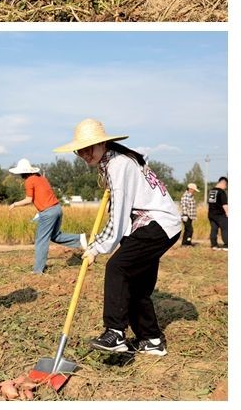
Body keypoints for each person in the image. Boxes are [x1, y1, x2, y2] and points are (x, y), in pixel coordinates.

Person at [54, 118, 181, 356]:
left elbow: (120, 215)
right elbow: (119, 212)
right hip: (157, 225)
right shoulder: (115, 162)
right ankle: (151, 340)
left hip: (156, 224)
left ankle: (115, 332)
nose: (84, 153)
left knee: (117, 268)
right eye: (79, 149)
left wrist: (97, 246)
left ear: (103, 143)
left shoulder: (118, 165)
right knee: (135, 285)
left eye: (88, 147)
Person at [8, 158, 86, 273]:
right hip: (57, 209)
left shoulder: (29, 181)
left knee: (41, 240)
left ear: (23, 173)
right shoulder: (41, 178)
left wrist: (15, 204)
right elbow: (43, 197)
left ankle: (38, 270)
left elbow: (29, 200)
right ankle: (79, 238)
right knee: (54, 236)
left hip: (48, 212)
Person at [208, 177, 228, 250]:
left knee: (214, 229)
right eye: (226, 186)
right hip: (220, 214)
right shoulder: (221, 192)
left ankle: (214, 245)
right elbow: (224, 205)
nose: (225, 187)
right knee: (225, 229)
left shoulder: (211, 191)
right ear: (223, 183)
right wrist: (227, 213)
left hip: (211, 214)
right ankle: (226, 245)